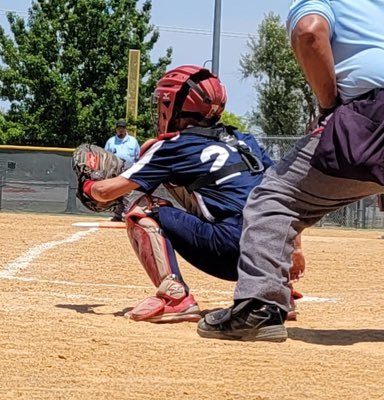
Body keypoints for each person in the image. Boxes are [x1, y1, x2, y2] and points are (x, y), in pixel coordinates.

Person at [197, 0, 384, 342]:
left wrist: (329, 107)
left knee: (275, 200)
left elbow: (309, 31)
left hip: (372, 115)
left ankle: (259, 306)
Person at [82, 65, 305, 323]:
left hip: (230, 253)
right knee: (202, 187)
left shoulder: (173, 146)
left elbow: (104, 192)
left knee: (142, 208)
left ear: (174, 106)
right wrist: (295, 248)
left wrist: (89, 185)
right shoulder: (245, 140)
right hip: (273, 255)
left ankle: (174, 297)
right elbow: (284, 195)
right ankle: (274, 293)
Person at [104, 119, 140, 221]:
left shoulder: (133, 141)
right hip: (114, 171)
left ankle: (127, 214)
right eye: (119, 128)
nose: (121, 130)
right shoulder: (111, 141)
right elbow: (106, 157)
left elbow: (138, 157)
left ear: (126, 129)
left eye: (122, 128)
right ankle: (117, 214)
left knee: (127, 192)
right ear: (116, 129)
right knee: (115, 192)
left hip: (129, 170)